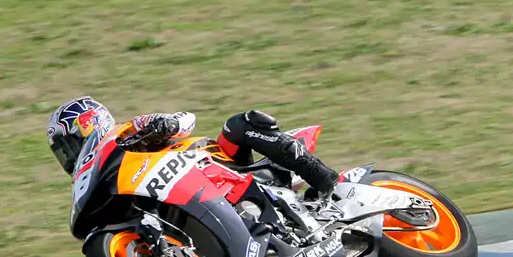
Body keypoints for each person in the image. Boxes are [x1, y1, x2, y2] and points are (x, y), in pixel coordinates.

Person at [47, 96, 339, 197]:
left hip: (217, 164)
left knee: (237, 125)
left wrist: (166, 126)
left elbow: (186, 119)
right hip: (187, 194)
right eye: (63, 153)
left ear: (88, 123)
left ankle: (323, 177)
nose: (69, 156)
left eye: (68, 145)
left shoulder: (127, 131)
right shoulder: (102, 171)